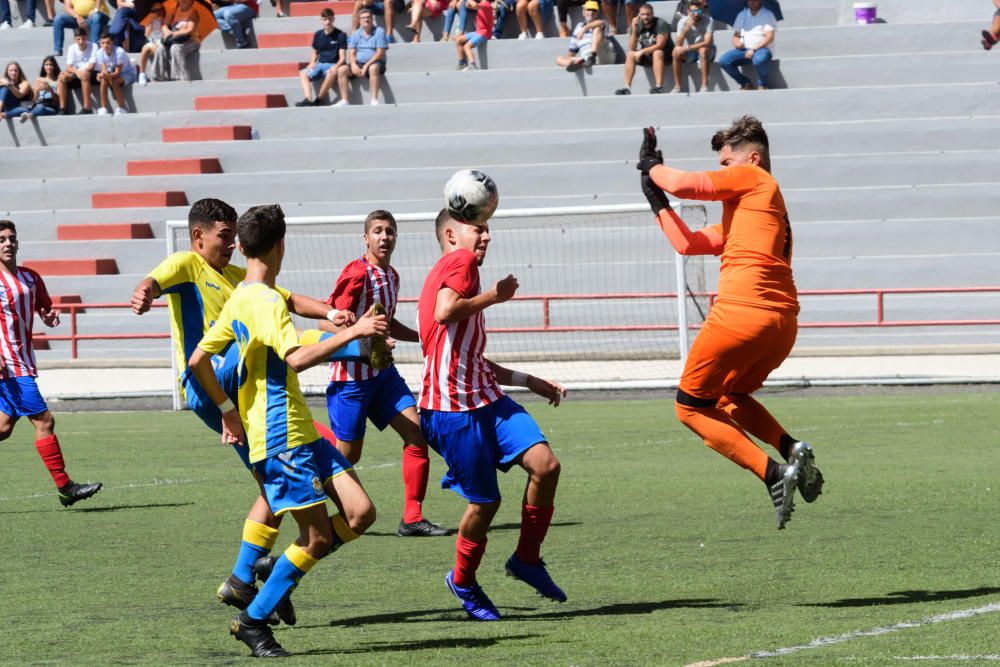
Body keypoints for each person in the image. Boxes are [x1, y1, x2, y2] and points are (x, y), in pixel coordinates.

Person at [130, 198, 362, 626]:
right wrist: (145, 291)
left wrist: (334, 317)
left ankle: (246, 577)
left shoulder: (243, 281)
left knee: (270, 483)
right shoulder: (188, 263)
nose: (231, 244)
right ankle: (262, 581)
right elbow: (157, 278)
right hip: (214, 385)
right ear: (199, 236)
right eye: (223, 236)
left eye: (236, 237)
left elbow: (290, 300)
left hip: (244, 389)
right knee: (276, 476)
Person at [189, 204, 385, 657]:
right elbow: (295, 357)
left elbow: (198, 361)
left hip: (299, 431)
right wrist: (355, 329)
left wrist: (226, 410)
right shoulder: (266, 301)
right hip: (281, 438)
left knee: (360, 514)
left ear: (242, 245)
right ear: (281, 246)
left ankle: (275, 567)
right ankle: (253, 620)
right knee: (316, 537)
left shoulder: (242, 295)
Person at [635, 117, 824, 530]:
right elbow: (688, 244)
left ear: (753, 159)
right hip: (781, 324)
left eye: (728, 163)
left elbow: (687, 184)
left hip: (742, 313)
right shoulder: (756, 209)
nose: (724, 172)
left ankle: (773, 474)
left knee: (688, 407)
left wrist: (651, 166)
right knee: (728, 395)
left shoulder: (756, 182)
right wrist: (657, 202)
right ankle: (790, 448)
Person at [418, 208, 567, 621]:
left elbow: (471, 357)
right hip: (451, 409)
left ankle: (527, 559)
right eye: (476, 228)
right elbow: (445, 311)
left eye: (487, 229)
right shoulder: (459, 263)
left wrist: (529, 380)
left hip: (484, 398)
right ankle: (462, 579)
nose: (485, 237)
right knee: (485, 504)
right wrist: (496, 296)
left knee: (546, 465)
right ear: (450, 235)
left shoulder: (451, 271)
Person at [325, 210, 449, 538]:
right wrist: (366, 336)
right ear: (366, 238)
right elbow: (329, 319)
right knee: (346, 456)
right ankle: (319, 504)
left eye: (390, 231)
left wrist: (424, 335)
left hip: (382, 375)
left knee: (417, 434)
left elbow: (387, 321)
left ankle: (412, 517)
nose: (384, 237)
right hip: (351, 379)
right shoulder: (356, 273)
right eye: (378, 231)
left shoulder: (391, 276)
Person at [0, 221, 102, 508]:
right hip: (9, 366)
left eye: (11, 238)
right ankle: (65, 487)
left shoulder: (30, 277)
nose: (8, 243)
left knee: (4, 428)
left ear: (18, 243)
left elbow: (43, 307)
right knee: (44, 421)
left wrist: (48, 316)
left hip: (24, 362)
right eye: (1, 240)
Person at [295, 7, 347, 106]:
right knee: (303, 73)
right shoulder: (318, 34)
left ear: (333, 19)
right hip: (320, 64)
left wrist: (335, 67)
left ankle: (318, 100)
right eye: (325, 19)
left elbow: (342, 58)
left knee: (330, 74)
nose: (327, 22)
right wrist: (312, 62)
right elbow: (315, 52)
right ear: (321, 20)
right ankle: (308, 99)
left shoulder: (341, 35)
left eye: (330, 19)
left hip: (332, 65)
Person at [718, 0, 775, 91]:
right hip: (744, 49)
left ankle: (762, 84)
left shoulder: (767, 14)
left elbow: (769, 37)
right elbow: (736, 36)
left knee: (759, 60)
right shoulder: (742, 15)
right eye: (749, 0)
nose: (752, 1)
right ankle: (745, 83)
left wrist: (754, 49)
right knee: (723, 60)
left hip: (762, 49)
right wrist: (736, 43)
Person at [615, 3, 671, 95]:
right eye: (643, 14)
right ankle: (626, 88)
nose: (645, 17)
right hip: (648, 55)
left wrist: (642, 51)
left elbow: (660, 45)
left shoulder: (661, 23)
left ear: (652, 14)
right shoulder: (637, 24)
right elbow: (632, 47)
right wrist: (634, 30)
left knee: (657, 52)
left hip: (665, 55)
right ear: (639, 15)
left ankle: (659, 87)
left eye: (648, 14)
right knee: (630, 54)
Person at [337, 8, 387, 106]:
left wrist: (366, 65)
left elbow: (380, 52)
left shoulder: (379, 31)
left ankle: (374, 99)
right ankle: (344, 100)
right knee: (341, 70)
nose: (366, 20)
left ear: (372, 19)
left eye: (368, 17)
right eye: (363, 18)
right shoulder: (356, 33)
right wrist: (353, 64)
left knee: (373, 68)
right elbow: (351, 52)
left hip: (375, 62)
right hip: (359, 63)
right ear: (359, 21)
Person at [150, 0, 202, 82]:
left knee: (175, 48)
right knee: (161, 47)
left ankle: (181, 78)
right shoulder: (173, 11)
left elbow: (189, 30)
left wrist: (173, 33)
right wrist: (167, 31)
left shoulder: (193, 12)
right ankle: (158, 77)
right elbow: (164, 25)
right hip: (175, 39)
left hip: (191, 40)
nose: (183, 0)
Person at [670, 0, 715, 93]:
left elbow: (707, 42)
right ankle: (678, 86)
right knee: (675, 52)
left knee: (703, 50)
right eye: (693, 11)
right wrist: (686, 29)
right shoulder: (683, 21)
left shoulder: (708, 20)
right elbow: (678, 43)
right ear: (688, 12)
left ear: (702, 10)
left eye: (698, 11)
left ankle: (704, 85)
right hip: (692, 52)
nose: (695, 14)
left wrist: (687, 48)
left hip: (708, 51)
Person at [554, 0, 607, 71]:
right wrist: (569, 59)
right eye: (588, 10)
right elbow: (572, 51)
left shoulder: (602, 23)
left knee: (597, 29)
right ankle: (575, 64)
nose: (591, 12)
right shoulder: (579, 27)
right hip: (585, 58)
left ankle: (592, 57)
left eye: (594, 10)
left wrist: (585, 28)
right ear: (583, 12)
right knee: (559, 59)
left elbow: (601, 23)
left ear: (597, 14)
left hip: (602, 56)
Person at [94, 32, 137, 115]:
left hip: (128, 74)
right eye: (103, 43)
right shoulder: (99, 53)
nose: (105, 45)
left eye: (108, 43)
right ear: (100, 44)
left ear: (112, 43)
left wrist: (105, 75)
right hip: (113, 74)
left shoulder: (119, 52)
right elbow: (104, 69)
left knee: (113, 81)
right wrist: (101, 75)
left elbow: (117, 72)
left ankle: (121, 108)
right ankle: (103, 108)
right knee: (103, 80)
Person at [57, 28, 98, 115]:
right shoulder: (71, 48)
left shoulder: (94, 46)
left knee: (85, 74)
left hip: (92, 73)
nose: (81, 41)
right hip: (77, 74)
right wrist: (76, 73)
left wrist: (80, 73)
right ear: (74, 39)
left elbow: (91, 66)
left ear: (86, 38)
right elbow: (69, 66)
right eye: (78, 39)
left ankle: (87, 108)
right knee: (62, 77)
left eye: (83, 38)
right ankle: (63, 108)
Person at [8, 57, 61, 123]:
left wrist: (50, 90)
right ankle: (4, 115)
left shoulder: (58, 81)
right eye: (46, 65)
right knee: (20, 109)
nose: (48, 67)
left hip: (50, 107)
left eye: (51, 65)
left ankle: (28, 116)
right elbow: (34, 99)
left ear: (54, 66)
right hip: (38, 104)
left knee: (41, 108)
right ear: (43, 66)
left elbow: (58, 101)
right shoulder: (39, 79)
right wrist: (37, 91)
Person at [454, 0, 492, 71]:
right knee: (458, 40)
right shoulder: (481, 4)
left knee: (466, 46)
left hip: (484, 33)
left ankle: (473, 65)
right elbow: (468, 5)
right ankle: (462, 63)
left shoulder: (486, 4)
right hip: (478, 32)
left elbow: (474, 5)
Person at [137, 3, 166, 86]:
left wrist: (162, 22)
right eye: (155, 10)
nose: (158, 12)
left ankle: (157, 74)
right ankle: (141, 74)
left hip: (162, 42)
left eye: (160, 9)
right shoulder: (150, 20)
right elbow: (146, 34)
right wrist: (151, 22)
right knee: (145, 49)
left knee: (160, 48)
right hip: (153, 42)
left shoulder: (166, 19)